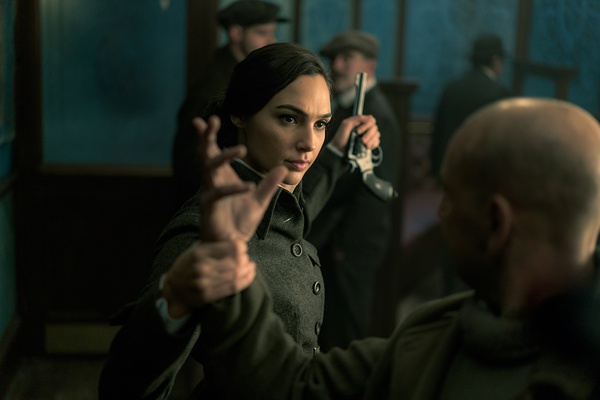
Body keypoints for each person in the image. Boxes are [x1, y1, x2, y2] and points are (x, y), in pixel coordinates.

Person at [183, 97, 600, 399]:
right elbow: (291, 385)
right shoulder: (431, 338)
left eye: (450, 198)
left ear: (495, 223)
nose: (441, 213)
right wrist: (231, 257)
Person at [99, 43, 383, 399]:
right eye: (289, 119)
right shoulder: (204, 235)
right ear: (240, 114)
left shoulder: (279, 200)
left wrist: (338, 154)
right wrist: (173, 299)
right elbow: (124, 390)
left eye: (321, 124)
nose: (310, 143)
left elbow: (290, 219)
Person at [307, 30, 402, 350]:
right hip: (333, 240)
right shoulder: (346, 109)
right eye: (335, 58)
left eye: (347, 58)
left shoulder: (376, 115)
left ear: (370, 66)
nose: (337, 65)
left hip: (350, 246)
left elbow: (373, 195)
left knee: (347, 333)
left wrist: (346, 246)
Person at [172, 0, 289, 206]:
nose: (271, 40)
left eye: (272, 33)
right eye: (262, 33)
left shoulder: (245, 77)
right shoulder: (213, 87)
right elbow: (189, 165)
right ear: (236, 33)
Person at [429, 33, 512, 180]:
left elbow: (439, 135)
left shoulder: (451, 89)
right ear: (495, 61)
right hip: (483, 177)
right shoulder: (500, 93)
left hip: (450, 172)